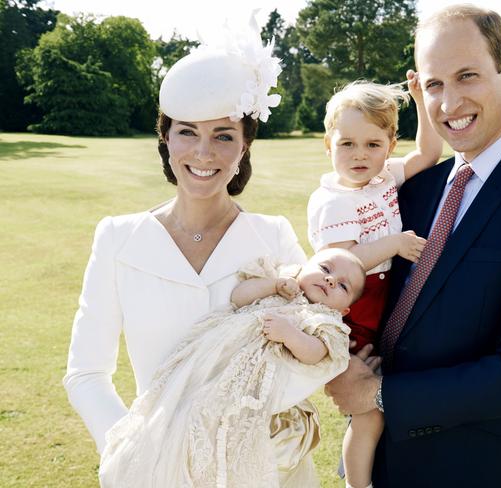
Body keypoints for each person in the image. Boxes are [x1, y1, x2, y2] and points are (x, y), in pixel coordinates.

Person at [324, 5, 501, 487]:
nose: (449, 103)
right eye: (434, 85)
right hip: (381, 463)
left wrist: (377, 394)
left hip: (478, 467)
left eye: (467, 76)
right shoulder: (412, 188)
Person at [63, 17, 319, 486]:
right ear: (165, 137)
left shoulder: (274, 237)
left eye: (223, 135)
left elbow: (312, 352)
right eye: (187, 132)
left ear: (244, 147)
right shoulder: (118, 238)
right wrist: (132, 449)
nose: (204, 153)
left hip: (266, 472)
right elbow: (85, 373)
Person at [99, 248, 366, 487]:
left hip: (251, 380)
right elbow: (239, 297)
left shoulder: (325, 320)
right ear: (304, 266)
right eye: (325, 268)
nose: (331, 279)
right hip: (215, 357)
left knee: (226, 423)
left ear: (344, 311)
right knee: (185, 405)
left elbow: (316, 353)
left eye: (343, 285)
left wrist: (290, 335)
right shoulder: (283, 281)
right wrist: (273, 285)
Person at [307, 80, 442, 488]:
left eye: (373, 144)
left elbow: (430, 153)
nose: (360, 155)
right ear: (328, 145)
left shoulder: (385, 177)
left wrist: (421, 100)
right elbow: (341, 269)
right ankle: (358, 484)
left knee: (391, 399)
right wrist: (395, 244)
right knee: (368, 410)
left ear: (389, 144)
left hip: (385, 300)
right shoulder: (333, 200)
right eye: (347, 144)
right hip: (354, 310)